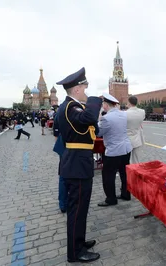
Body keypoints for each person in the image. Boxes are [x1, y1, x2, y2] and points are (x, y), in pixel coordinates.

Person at [56, 67, 102, 263]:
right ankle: (75, 253)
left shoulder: (73, 107)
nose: (86, 90)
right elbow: (91, 119)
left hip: (78, 162)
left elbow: (94, 127)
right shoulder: (70, 107)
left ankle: (79, 242)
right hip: (76, 164)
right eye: (85, 86)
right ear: (76, 89)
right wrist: (94, 100)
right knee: (76, 211)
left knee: (81, 208)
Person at [97, 93, 132, 206]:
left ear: (106, 105)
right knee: (124, 173)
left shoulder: (106, 118)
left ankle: (111, 199)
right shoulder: (124, 114)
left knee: (108, 175)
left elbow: (98, 132)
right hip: (126, 149)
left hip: (113, 151)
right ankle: (125, 194)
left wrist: (98, 119)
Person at [53, 108, 68, 213]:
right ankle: (64, 203)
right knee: (64, 176)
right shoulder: (81, 111)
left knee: (63, 176)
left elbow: (56, 132)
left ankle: (63, 203)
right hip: (70, 148)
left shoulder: (61, 111)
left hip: (63, 147)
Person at [126, 95, 145, 164]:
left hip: (127, 138)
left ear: (129, 103)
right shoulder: (142, 111)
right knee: (136, 159)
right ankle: (136, 173)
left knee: (126, 160)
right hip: (138, 138)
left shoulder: (125, 113)